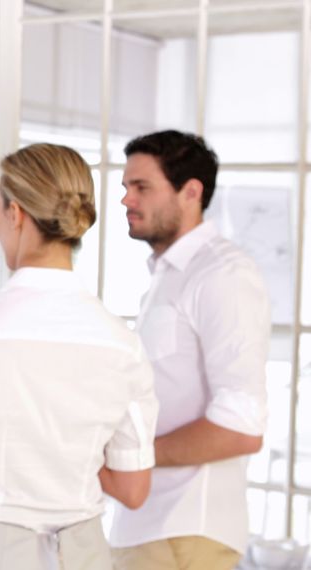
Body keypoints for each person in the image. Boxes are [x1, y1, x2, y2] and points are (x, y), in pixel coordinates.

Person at [0, 143, 159, 569]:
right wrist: (63, 456)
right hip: (81, 555)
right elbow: (134, 489)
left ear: (15, 214)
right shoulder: (122, 344)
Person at [109, 130, 270, 570]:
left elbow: (242, 425)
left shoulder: (223, 275)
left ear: (191, 192)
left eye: (141, 187)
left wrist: (131, 458)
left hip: (185, 533)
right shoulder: (168, 276)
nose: (126, 199)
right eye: (125, 187)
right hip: (148, 526)